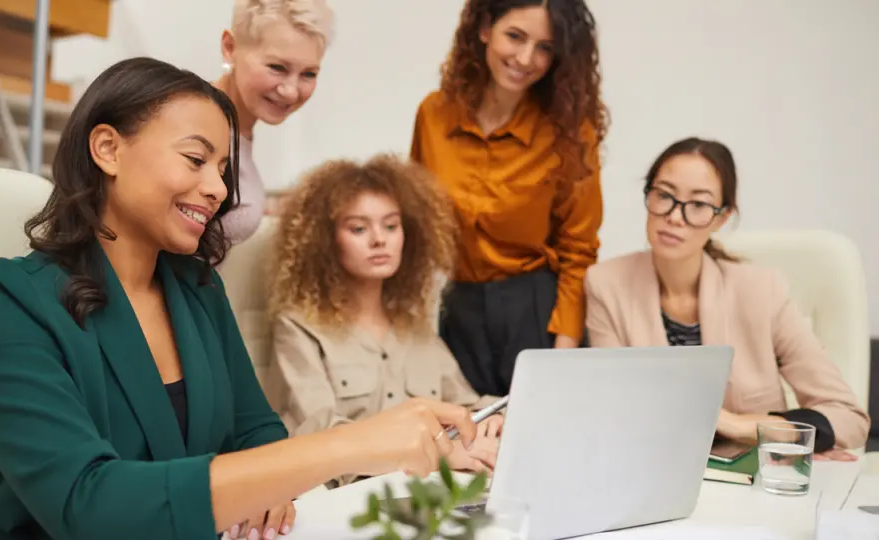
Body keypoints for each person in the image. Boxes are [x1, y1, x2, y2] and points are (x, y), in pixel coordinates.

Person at [0, 57, 478, 540]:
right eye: (195, 159)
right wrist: (353, 444)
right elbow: (88, 505)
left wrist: (269, 482)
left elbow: (255, 430)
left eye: (222, 169)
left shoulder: (197, 289)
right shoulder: (8, 301)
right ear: (108, 149)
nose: (219, 189)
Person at [583, 137, 870, 459]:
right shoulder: (607, 285)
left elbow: (848, 418)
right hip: (651, 469)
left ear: (722, 217)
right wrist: (786, 436)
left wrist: (738, 425)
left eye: (699, 205)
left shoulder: (761, 290)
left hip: (753, 484)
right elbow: (616, 414)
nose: (676, 217)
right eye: (664, 195)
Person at [262, 154, 505, 488]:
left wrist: (500, 417)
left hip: (428, 493)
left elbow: (465, 406)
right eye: (359, 228)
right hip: (349, 500)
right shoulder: (299, 327)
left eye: (391, 225)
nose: (379, 239)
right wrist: (438, 454)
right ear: (325, 240)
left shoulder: (415, 326)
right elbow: (319, 434)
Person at [409, 0, 609, 397]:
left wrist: (565, 346)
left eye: (544, 47)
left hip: (534, 309)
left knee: (541, 440)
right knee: (467, 444)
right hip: (459, 309)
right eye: (515, 36)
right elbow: (415, 219)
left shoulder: (570, 132)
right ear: (484, 28)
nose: (525, 58)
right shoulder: (433, 115)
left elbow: (578, 251)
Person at [214, 0, 334, 244]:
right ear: (230, 47)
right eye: (277, 67)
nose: (291, 91)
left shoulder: (240, 129)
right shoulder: (194, 126)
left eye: (308, 74)